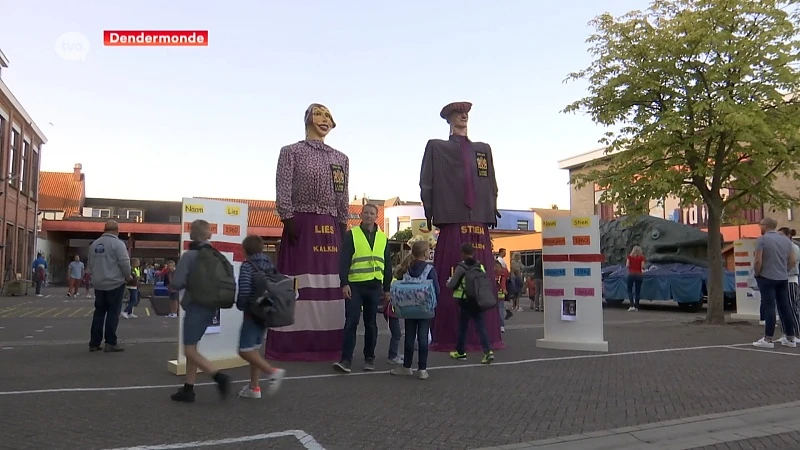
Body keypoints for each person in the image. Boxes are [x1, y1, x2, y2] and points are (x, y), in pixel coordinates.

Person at [419, 101, 504, 353]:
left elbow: (491, 180)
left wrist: (492, 206)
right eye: (458, 113)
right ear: (449, 119)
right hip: (451, 216)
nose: (463, 116)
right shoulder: (437, 147)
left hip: (478, 218)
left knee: (482, 277)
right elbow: (427, 180)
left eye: (465, 113)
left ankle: (485, 336)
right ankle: (449, 336)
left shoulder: (482, 149)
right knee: (451, 277)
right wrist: (429, 211)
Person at [269, 103, 350, 361]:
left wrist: (342, 223)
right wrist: (288, 217)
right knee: (298, 283)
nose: (324, 119)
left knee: (330, 284)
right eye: (319, 114)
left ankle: (329, 343)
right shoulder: (291, 152)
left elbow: (343, 194)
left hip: (330, 225)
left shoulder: (341, 158)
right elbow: (282, 186)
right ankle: (292, 343)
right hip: (300, 224)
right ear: (307, 119)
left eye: (328, 116)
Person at [169, 219, 231, 403]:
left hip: (196, 304)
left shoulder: (190, 256)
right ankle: (188, 389)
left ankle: (219, 377)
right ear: (209, 235)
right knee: (193, 347)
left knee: (189, 350)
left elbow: (177, 283)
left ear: (191, 234)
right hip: (212, 306)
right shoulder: (216, 255)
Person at [334, 204, 392, 373]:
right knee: (351, 322)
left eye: (372, 213)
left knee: (371, 324)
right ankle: (346, 360)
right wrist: (344, 283)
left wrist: (387, 288)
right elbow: (343, 260)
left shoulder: (383, 238)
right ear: (361, 215)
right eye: (366, 213)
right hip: (355, 285)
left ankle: (369, 358)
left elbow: (387, 265)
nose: (368, 216)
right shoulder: (352, 235)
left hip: (374, 286)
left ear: (376, 216)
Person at [235, 235, 286, 399]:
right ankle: (254, 387)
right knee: (254, 349)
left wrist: (241, 305)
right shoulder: (269, 264)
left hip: (252, 311)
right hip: (266, 311)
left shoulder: (247, 266)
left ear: (245, 250)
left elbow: (244, 291)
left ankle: (272, 372)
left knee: (244, 350)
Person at [390, 240, 439, 379]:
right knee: (423, 337)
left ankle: (407, 366)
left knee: (409, 337)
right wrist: (436, 305)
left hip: (408, 307)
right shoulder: (430, 269)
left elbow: (398, 279)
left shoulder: (407, 267)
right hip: (425, 308)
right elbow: (436, 289)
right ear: (425, 253)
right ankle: (422, 369)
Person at [752, 218, 797, 349]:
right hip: (782, 277)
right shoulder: (786, 241)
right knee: (785, 306)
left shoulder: (762, 240)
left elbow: (757, 260)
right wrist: (785, 270)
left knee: (769, 307)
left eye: (760, 225)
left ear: (765, 226)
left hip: (767, 277)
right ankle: (790, 338)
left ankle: (768, 339)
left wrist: (757, 273)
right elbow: (793, 260)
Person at [87, 220, 131, 353]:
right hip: (115, 283)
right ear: (117, 230)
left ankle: (94, 343)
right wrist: (127, 276)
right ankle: (110, 342)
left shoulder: (94, 244)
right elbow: (124, 263)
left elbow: (90, 265)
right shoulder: (118, 244)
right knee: (113, 313)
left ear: (104, 229)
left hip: (99, 284)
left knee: (99, 313)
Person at [447, 243, 494, 364]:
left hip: (465, 301)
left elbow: (452, 284)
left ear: (462, 253)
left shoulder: (461, 267)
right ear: (473, 253)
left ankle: (461, 352)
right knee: (481, 327)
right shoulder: (480, 266)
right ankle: (488, 351)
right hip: (478, 300)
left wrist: (448, 282)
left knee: (463, 327)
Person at [626, 246, 645, 311]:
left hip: (631, 274)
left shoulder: (629, 256)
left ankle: (631, 305)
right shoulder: (642, 257)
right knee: (637, 291)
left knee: (629, 290)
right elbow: (642, 266)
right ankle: (637, 306)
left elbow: (627, 265)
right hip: (639, 275)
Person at [495, 260, 511, 333]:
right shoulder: (491, 275)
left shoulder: (502, 276)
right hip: (493, 296)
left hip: (500, 296)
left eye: (498, 267)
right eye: (495, 267)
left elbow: (503, 284)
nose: (496, 269)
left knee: (500, 311)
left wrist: (504, 289)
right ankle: (496, 325)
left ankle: (501, 326)